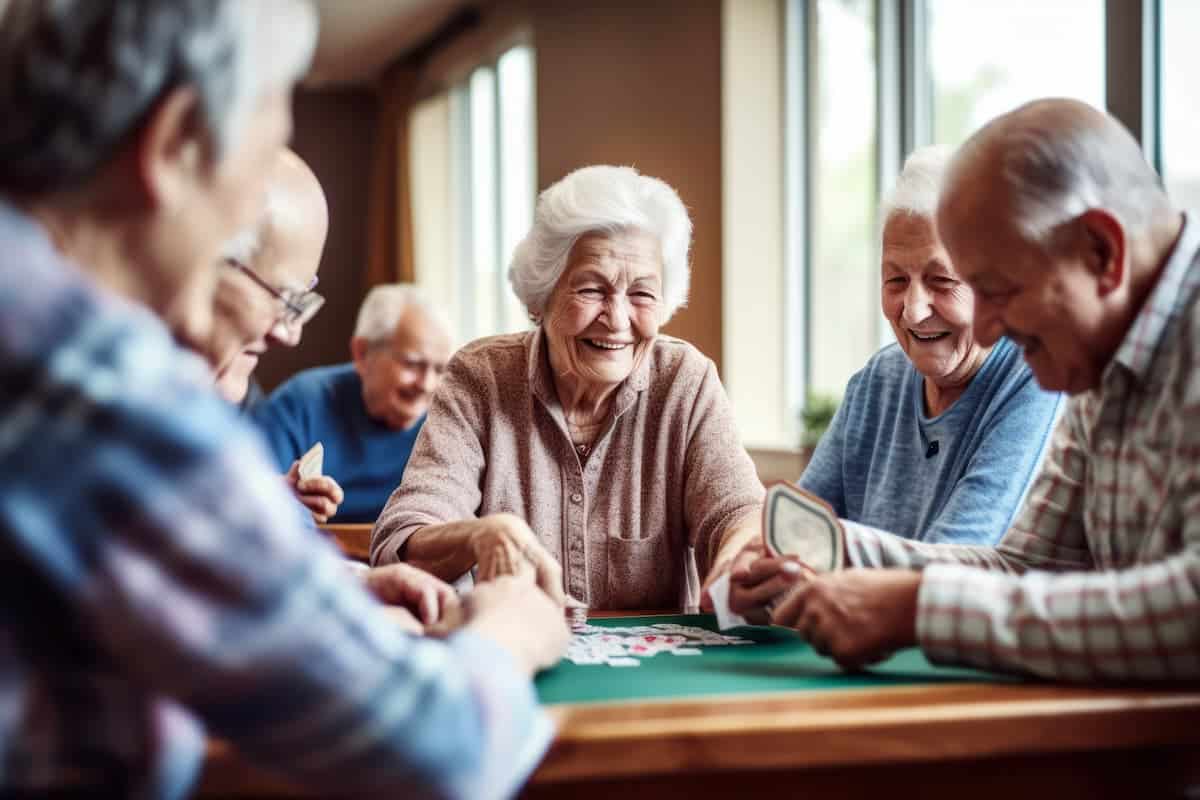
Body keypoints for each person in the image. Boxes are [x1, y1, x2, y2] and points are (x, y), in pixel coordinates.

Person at [0, 2, 567, 798]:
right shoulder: (98, 377)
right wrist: (512, 631)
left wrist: (328, 591)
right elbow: (437, 751)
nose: (244, 222)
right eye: (257, 160)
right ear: (172, 143)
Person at [731, 98, 1200, 682]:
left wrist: (917, 609)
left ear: (1100, 253)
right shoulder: (1096, 359)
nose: (984, 328)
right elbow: (1024, 566)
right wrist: (829, 551)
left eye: (998, 291)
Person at [371, 165, 765, 610]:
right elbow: (404, 536)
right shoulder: (479, 379)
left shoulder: (686, 382)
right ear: (541, 298)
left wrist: (738, 557)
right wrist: (482, 535)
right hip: (515, 660)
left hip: (659, 675)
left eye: (642, 294)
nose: (617, 320)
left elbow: (736, 511)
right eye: (592, 289)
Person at [795, 145, 1061, 544]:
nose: (914, 311)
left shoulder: (1035, 379)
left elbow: (961, 556)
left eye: (942, 281)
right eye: (896, 281)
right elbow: (797, 530)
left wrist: (833, 560)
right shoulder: (877, 381)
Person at [188, 147, 346, 523]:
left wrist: (272, 494)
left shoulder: (236, 387)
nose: (290, 335)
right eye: (284, 297)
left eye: (301, 300)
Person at [251, 284, 454, 523]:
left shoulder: (448, 422)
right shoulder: (299, 405)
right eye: (412, 364)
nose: (427, 385)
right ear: (362, 353)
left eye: (440, 369)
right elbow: (252, 502)